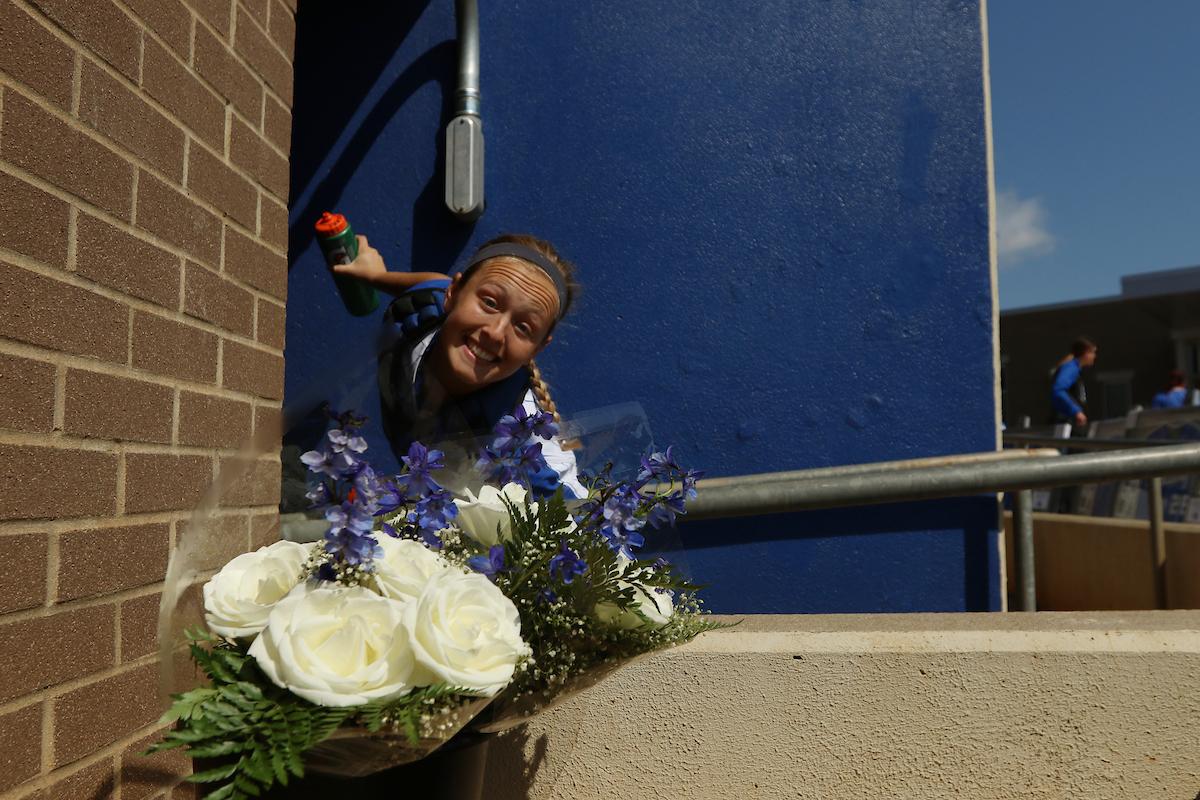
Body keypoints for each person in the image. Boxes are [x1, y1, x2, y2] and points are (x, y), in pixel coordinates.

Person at [333, 233, 585, 497]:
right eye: (489, 302)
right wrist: (376, 277)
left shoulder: (523, 438)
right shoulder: (416, 314)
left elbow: (578, 518)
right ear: (452, 295)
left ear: (537, 349)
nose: (496, 332)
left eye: (523, 327)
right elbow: (430, 285)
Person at [1049, 337, 1097, 427]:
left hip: (1070, 424)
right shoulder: (1071, 367)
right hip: (1065, 424)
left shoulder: (1075, 368)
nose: (1095, 355)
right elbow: (1058, 390)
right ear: (1086, 352)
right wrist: (1076, 412)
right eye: (1093, 352)